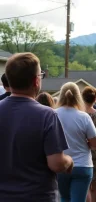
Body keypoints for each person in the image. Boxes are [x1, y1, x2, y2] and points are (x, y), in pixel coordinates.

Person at [0, 52, 73, 201]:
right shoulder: (47, 115)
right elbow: (57, 164)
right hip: (37, 195)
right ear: (36, 81)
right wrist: (69, 161)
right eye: (41, 75)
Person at [56, 82, 96, 202]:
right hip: (83, 164)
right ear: (78, 97)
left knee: (64, 198)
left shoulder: (53, 115)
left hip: (61, 164)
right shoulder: (84, 117)